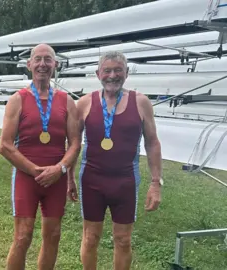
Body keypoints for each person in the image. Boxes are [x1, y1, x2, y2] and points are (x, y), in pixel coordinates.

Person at [76, 51, 162, 270]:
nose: (112, 76)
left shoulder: (141, 102)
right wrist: (68, 179)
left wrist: (155, 183)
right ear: (98, 74)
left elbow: (152, 143)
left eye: (118, 70)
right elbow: (73, 145)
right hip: (92, 180)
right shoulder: (84, 103)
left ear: (127, 73)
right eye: (107, 70)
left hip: (125, 182)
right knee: (90, 238)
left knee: (123, 240)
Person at [0, 43, 82, 270]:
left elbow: (75, 143)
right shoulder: (18, 99)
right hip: (28, 178)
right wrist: (34, 170)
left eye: (48, 60)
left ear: (55, 65)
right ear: (29, 65)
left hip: (56, 179)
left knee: (53, 235)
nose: (43, 64)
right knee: (22, 236)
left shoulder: (66, 101)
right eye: (38, 59)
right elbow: (5, 145)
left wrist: (61, 169)